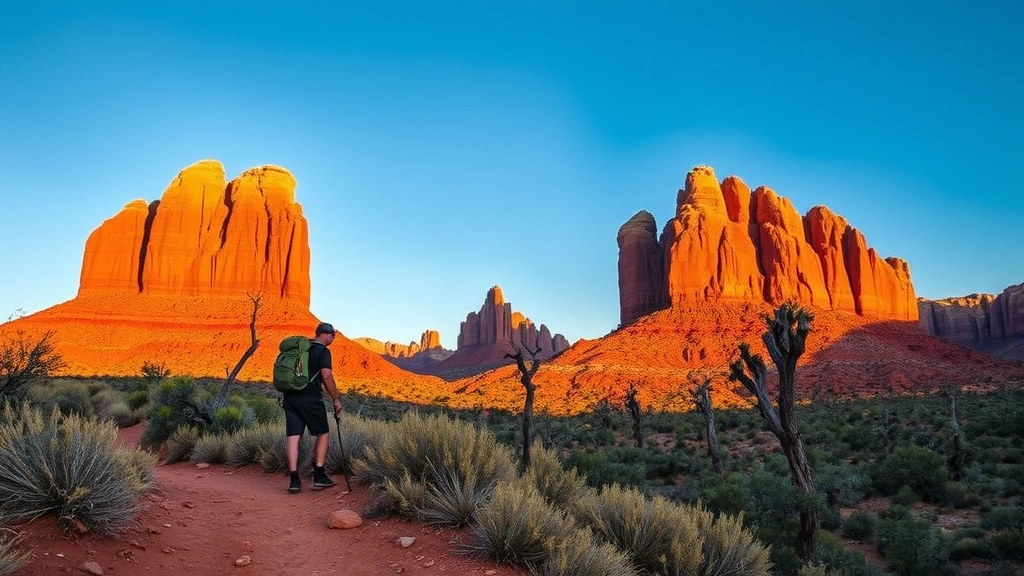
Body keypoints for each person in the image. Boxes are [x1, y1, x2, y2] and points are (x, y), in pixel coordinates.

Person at [282, 322, 344, 493]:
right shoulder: (323, 351)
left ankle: (294, 481)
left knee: (293, 437)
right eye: (332, 335)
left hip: (290, 397)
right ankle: (319, 475)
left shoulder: (300, 349)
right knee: (323, 433)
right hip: (310, 398)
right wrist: (336, 399)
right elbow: (327, 376)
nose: (333, 338)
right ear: (324, 335)